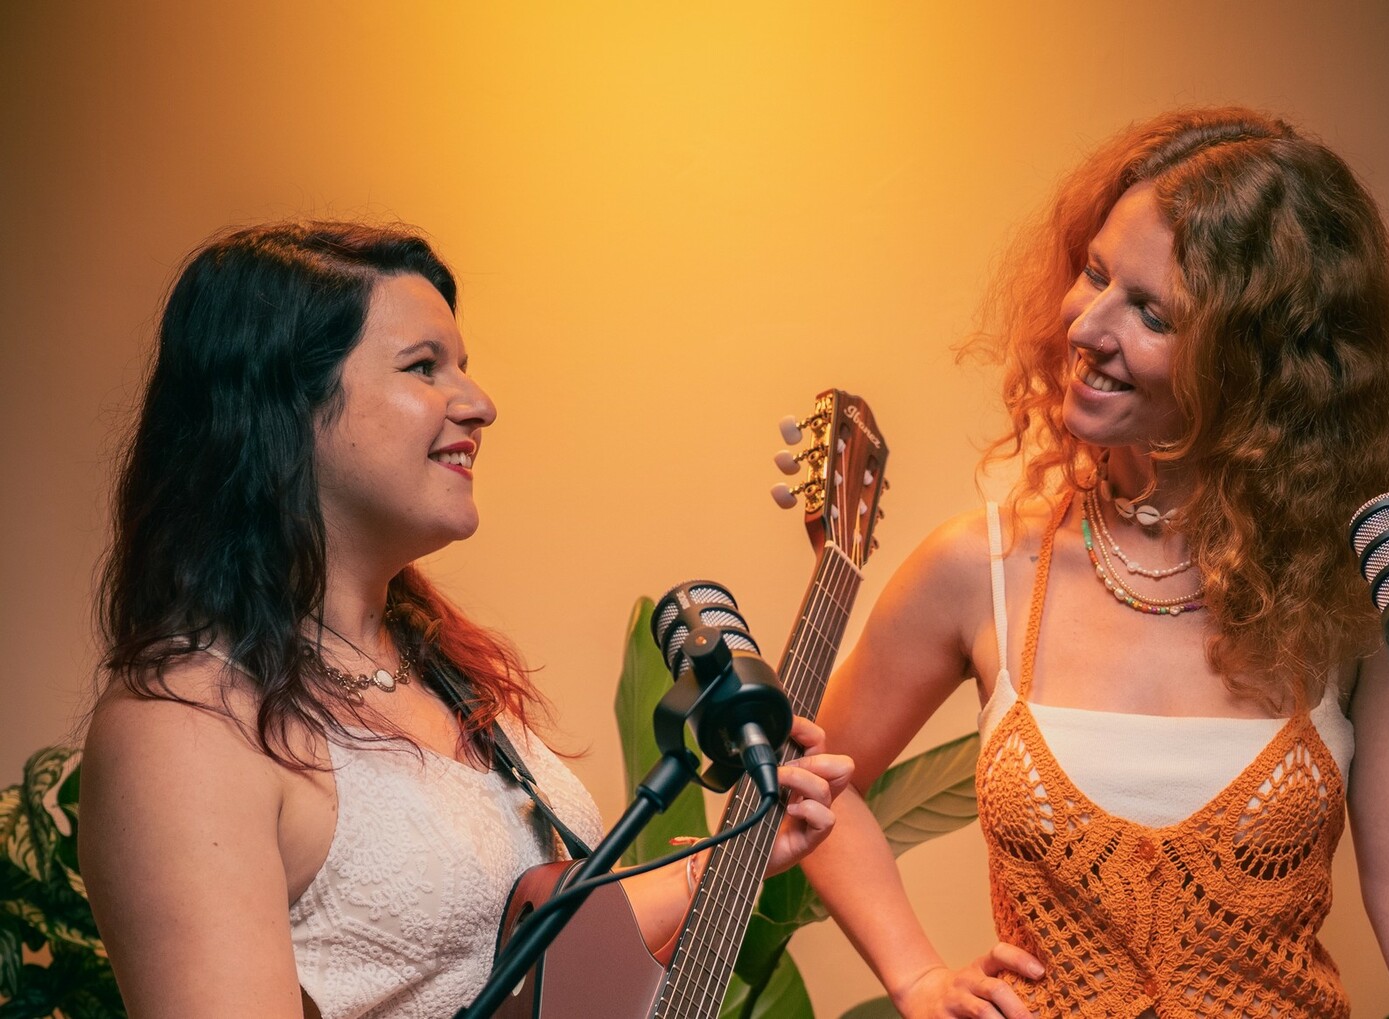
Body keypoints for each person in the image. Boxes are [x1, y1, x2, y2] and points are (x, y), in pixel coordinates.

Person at [798, 108, 1389, 1018]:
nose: (1087, 326)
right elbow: (804, 779)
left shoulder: (1356, 587)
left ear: (1257, 368)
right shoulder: (979, 567)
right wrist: (917, 976)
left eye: (1152, 312)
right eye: (1095, 273)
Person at [77, 221, 853, 1019]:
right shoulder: (184, 727)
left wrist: (723, 864)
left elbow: (523, 964)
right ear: (282, 406)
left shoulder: (438, 667)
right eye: (423, 367)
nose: (480, 406)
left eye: (463, 367)